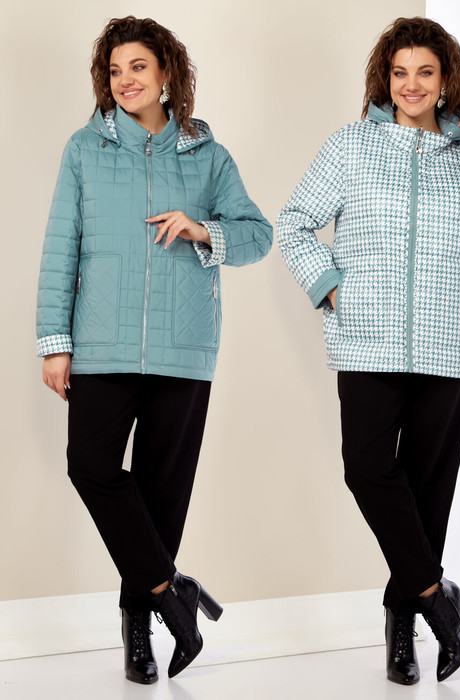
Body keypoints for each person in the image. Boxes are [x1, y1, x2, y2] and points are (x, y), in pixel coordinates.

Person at [277, 16, 460, 685]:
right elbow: (293, 222)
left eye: (425, 72)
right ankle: (437, 599)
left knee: (426, 492)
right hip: (367, 337)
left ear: (445, 80)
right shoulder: (352, 144)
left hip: (449, 341)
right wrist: (332, 289)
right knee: (368, 470)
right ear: (385, 78)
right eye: (400, 72)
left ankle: (401, 633)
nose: (411, 85)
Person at [37, 15, 272, 685]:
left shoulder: (207, 155)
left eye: (138, 66)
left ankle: (138, 632)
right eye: (115, 70)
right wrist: (55, 343)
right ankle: (172, 592)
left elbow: (258, 235)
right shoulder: (84, 149)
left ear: (166, 72)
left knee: (161, 497)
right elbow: (61, 249)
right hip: (101, 345)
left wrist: (203, 230)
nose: (126, 80)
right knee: (91, 467)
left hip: (184, 347)